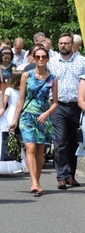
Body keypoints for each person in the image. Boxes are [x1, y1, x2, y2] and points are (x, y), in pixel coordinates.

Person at [10, 45, 57, 195]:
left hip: (42, 117)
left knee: (40, 150)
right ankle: (34, 182)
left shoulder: (52, 78)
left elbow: (55, 102)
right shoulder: (26, 75)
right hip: (27, 116)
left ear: (48, 59)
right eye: (38, 57)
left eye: (43, 57)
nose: (41, 59)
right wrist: (14, 120)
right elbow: (21, 99)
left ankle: (37, 180)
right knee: (30, 148)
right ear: (33, 58)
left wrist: (47, 113)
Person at [47, 32, 85, 189]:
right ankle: (61, 176)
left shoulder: (82, 61)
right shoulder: (52, 62)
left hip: (76, 106)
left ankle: (71, 175)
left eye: (66, 43)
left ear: (72, 45)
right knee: (61, 141)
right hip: (58, 106)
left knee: (73, 141)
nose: (63, 45)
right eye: (61, 43)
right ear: (58, 45)